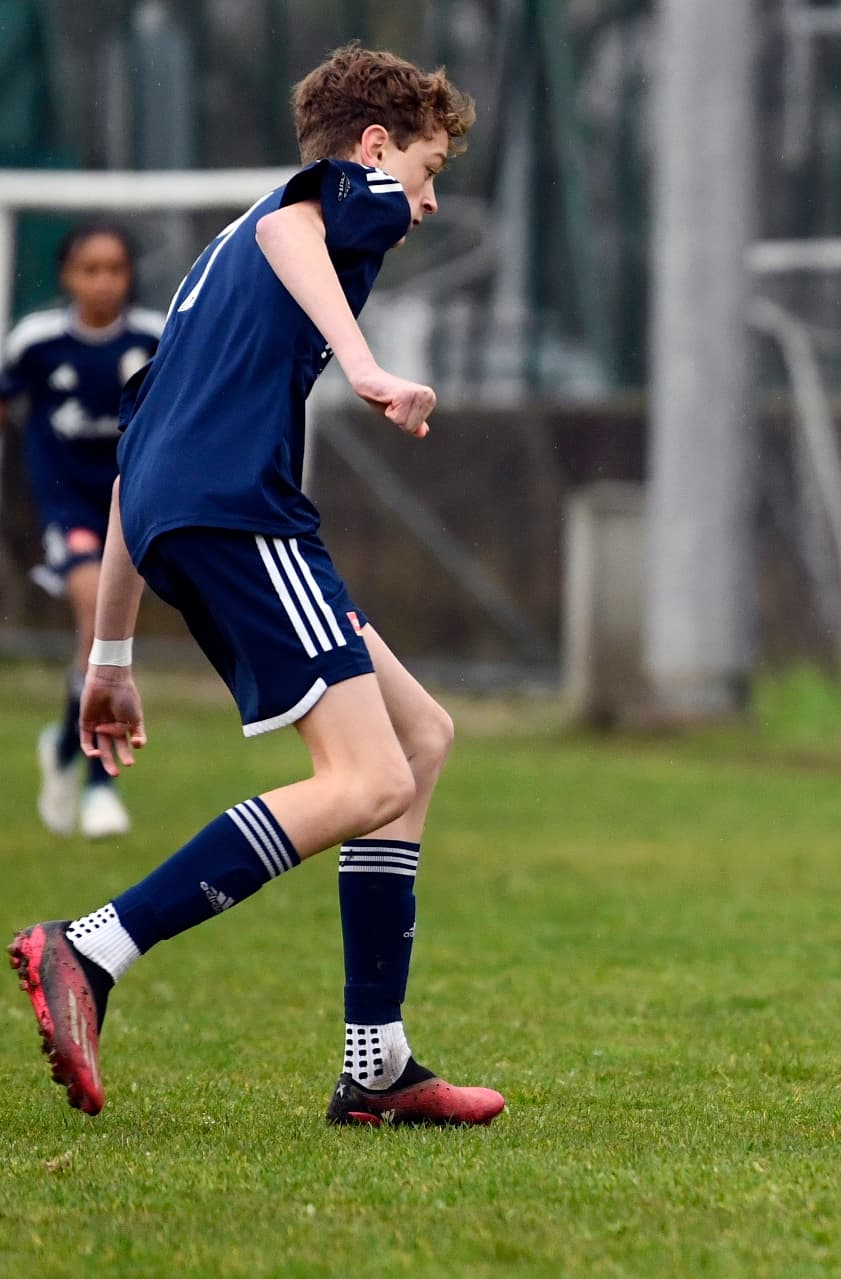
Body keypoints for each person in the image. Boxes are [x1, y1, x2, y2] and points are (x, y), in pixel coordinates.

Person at [7, 44, 504, 1127]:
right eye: (425, 174)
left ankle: (377, 1059)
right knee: (367, 777)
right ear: (375, 148)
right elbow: (298, 226)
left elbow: (137, 462)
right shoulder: (314, 211)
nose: (419, 206)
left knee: (419, 737)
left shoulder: (207, 274)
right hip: (244, 515)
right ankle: (90, 948)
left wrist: (112, 656)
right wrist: (364, 364)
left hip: (196, 515)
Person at [0, 225, 164, 840]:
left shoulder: (153, 339)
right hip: (66, 510)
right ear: (67, 276)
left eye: (115, 268)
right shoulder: (36, 342)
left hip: (133, 507)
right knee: (99, 621)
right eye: (89, 269)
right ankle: (100, 785)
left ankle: (66, 749)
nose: (103, 281)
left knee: (100, 637)